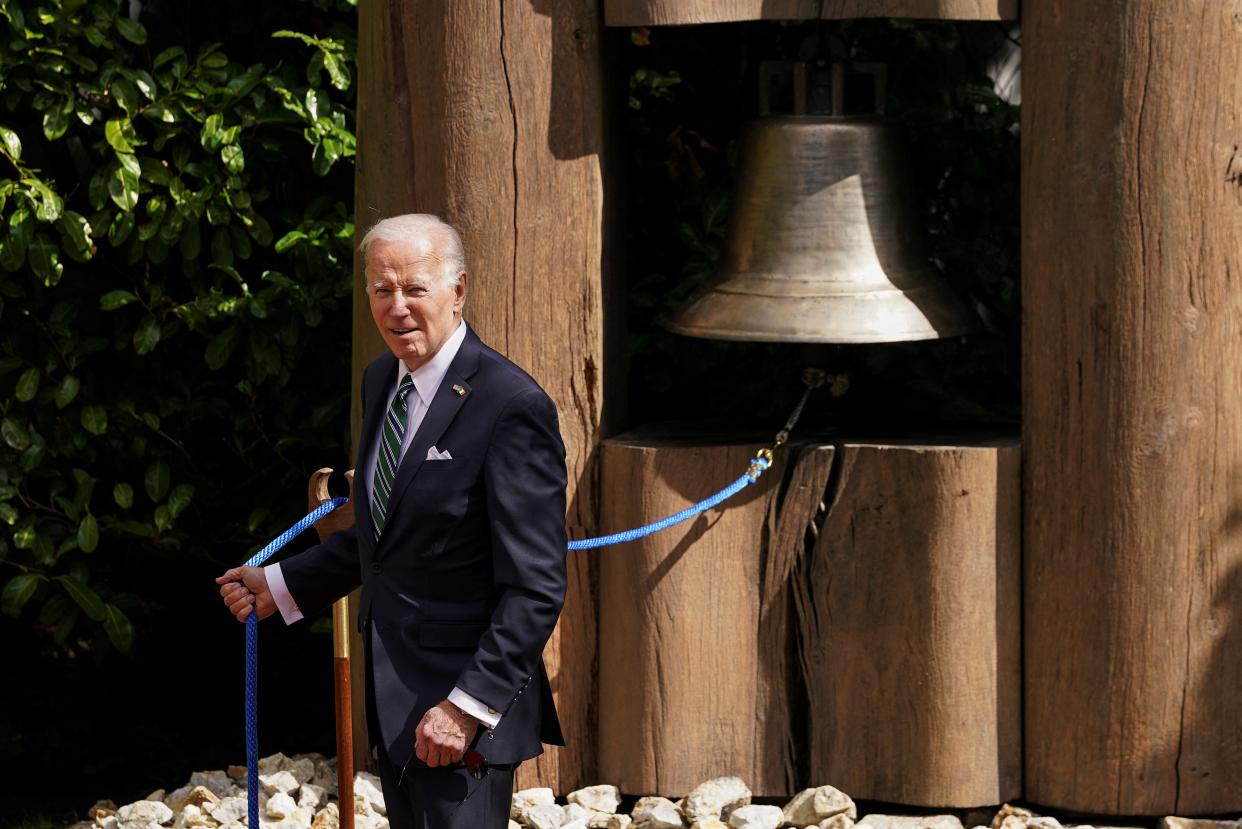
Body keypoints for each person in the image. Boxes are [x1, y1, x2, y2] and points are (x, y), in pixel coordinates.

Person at [216, 214, 568, 828]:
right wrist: (281, 586)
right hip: (395, 700)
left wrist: (465, 708)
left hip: (463, 718)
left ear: (458, 291)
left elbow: (536, 586)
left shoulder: (512, 405)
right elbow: (389, 536)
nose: (397, 307)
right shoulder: (382, 379)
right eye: (383, 290)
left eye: (415, 289)